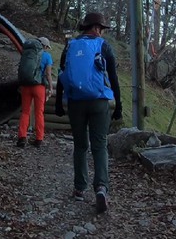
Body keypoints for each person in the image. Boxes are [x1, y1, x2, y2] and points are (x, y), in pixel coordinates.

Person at [55, 12, 122, 214]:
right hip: (99, 102)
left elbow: (62, 75)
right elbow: (114, 77)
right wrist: (118, 105)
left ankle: (79, 188)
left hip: (76, 102)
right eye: (101, 29)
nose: (102, 32)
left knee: (80, 145)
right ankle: (101, 187)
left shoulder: (70, 45)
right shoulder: (103, 46)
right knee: (99, 146)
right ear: (96, 28)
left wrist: (59, 102)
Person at [17, 37, 53, 148]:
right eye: (47, 47)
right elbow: (48, 74)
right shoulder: (47, 56)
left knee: (25, 112)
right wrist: (51, 87)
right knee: (39, 112)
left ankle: (22, 138)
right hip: (39, 87)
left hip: (26, 86)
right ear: (45, 46)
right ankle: (39, 139)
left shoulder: (28, 53)